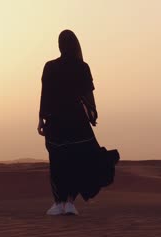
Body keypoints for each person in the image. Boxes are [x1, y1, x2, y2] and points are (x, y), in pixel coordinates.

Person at [38, 30, 119, 216]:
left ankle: (59, 203)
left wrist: (41, 118)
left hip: (56, 121)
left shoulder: (50, 66)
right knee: (77, 160)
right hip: (76, 121)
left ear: (60, 45)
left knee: (58, 161)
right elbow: (88, 95)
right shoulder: (82, 66)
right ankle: (69, 203)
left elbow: (45, 94)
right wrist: (93, 114)